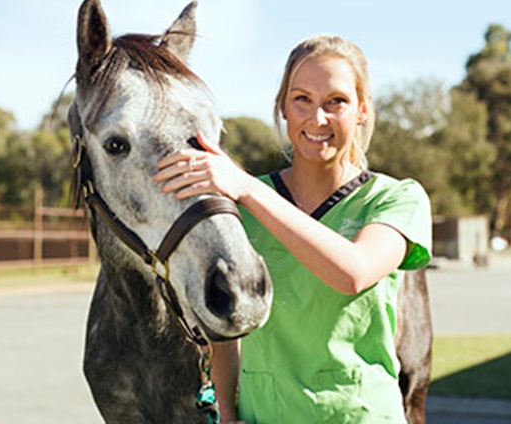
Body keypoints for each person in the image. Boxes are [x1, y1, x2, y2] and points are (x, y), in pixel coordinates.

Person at [153, 34, 432, 423]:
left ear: (362, 110)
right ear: (283, 107)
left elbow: (353, 273)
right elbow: (225, 334)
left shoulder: (397, 199)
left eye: (337, 101)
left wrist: (246, 187)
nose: (318, 119)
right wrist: (229, 414)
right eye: (302, 99)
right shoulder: (241, 208)